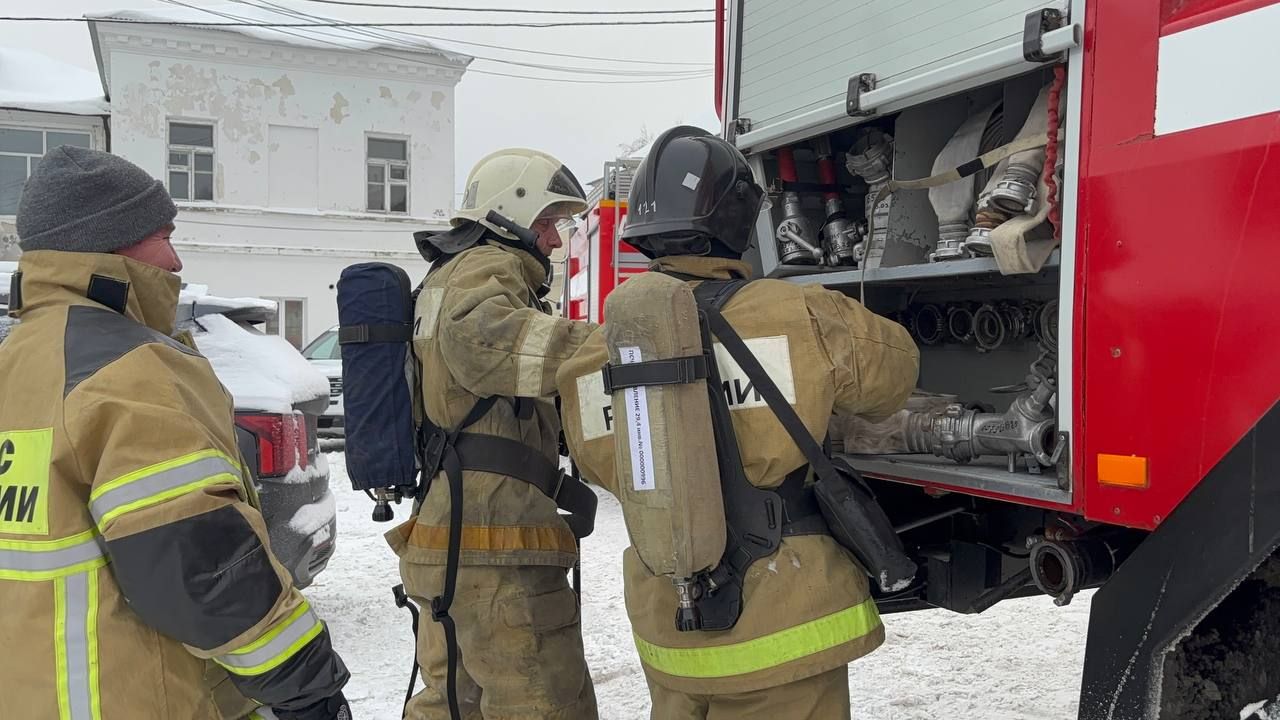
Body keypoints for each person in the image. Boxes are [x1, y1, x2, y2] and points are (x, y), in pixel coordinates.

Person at [557, 127, 920, 720]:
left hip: (669, 630)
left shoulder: (592, 361)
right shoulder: (801, 312)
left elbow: (608, 467)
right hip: (782, 626)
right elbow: (894, 378)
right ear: (737, 220)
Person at [0, 146, 351, 720]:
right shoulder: (130, 370)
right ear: (109, 240)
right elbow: (203, 571)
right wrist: (308, 685)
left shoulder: (16, 361)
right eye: (163, 234)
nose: (176, 260)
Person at [389, 148, 599, 720]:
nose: (556, 240)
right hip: (493, 551)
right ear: (511, 213)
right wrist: (613, 348)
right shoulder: (487, 267)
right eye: (549, 222)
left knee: (452, 705)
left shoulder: (450, 272)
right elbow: (481, 342)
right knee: (544, 702)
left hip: (452, 541)